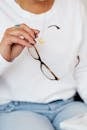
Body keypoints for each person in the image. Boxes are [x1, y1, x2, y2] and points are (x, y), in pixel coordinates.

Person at [0, 0, 87, 130]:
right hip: (15, 109)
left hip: (68, 105)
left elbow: (83, 68)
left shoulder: (74, 6)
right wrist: (3, 56)